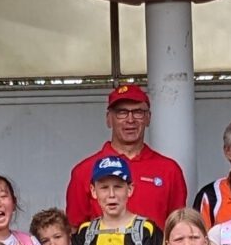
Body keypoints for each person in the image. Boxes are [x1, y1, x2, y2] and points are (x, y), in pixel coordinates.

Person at [62, 82, 189, 227]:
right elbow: (74, 230)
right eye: (122, 112)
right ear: (109, 119)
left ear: (148, 118)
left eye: (138, 112)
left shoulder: (169, 170)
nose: (130, 120)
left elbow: (179, 229)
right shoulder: (84, 171)